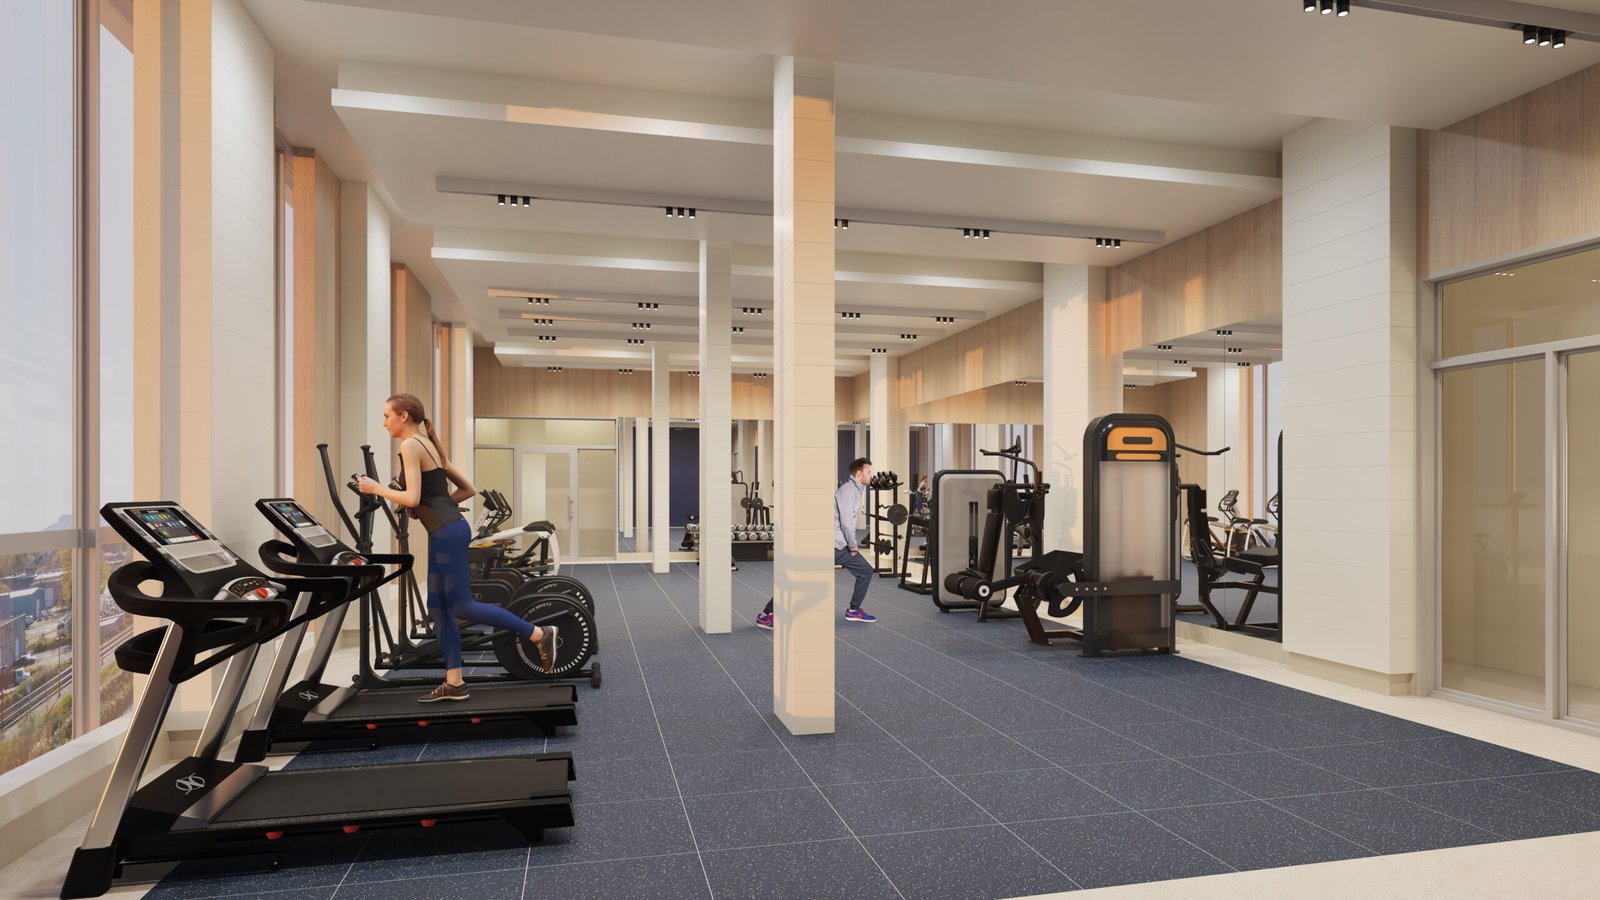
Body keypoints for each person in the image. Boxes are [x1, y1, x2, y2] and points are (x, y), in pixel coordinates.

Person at [357, 393, 558, 702]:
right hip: (448, 529)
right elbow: (468, 489)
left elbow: (411, 497)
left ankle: (538, 633)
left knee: (462, 607)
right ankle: (454, 682)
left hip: (447, 533)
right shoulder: (431, 446)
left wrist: (376, 488)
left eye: (387, 416)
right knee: (438, 608)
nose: (384, 422)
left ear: (404, 416)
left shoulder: (410, 445)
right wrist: (432, 507)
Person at [756, 457, 877, 629]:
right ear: (859, 474)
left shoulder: (856, 491)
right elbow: (847, 523)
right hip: (830, 545)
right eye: (868, 472)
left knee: (865, 571)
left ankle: (854, 610)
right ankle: (767, 615)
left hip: (838, 545)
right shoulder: (848, 491)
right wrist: (853, 545)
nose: (871, 475)